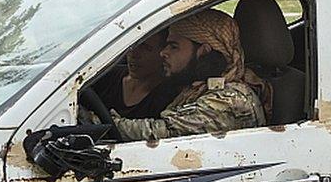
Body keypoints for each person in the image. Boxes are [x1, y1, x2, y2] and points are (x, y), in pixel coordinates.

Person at [107, 9, 272, 141]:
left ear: (203, 51)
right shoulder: (197, 88)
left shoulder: (230, 100)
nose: (163, 53)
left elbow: (160, 133)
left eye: (173, 46)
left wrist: (99, 124)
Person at [91, 29, 180, 119]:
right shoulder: (106, 77)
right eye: (131, 46)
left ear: (164, 53)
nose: (133, 54)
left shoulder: (168, 97)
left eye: (145, 48)